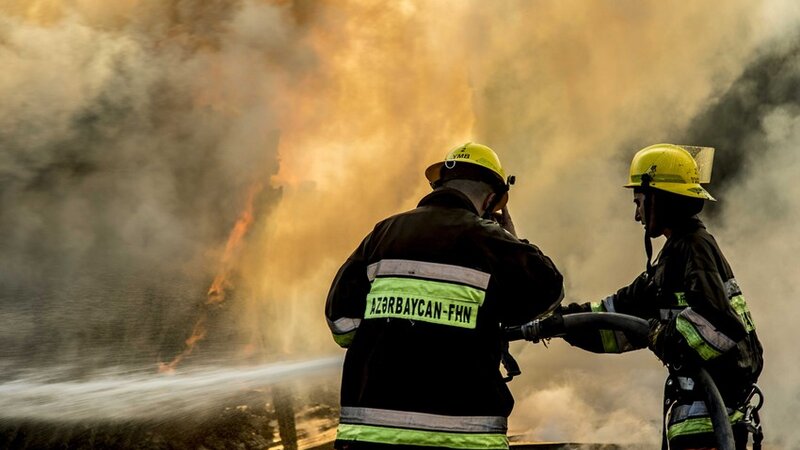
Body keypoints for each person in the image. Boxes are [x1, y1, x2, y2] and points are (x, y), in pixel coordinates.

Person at [325, 142, 564, 449]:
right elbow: (550, 290)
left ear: (439, 185)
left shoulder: (383, 233)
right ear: (492, 201)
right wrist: (512, 238)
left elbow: (341, 323)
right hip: (463, 437)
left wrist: (392, 336)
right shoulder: (490, 241)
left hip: (372, 434)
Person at [560, 143, 763, 449]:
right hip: (696, 420)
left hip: (710, 423)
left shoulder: (695, 246)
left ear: (659, 198)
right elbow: (616, 319)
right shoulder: (672, 258)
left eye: (639, 202)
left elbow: (720, 323)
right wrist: (558, 321)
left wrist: (661, 335)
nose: (636, 215)